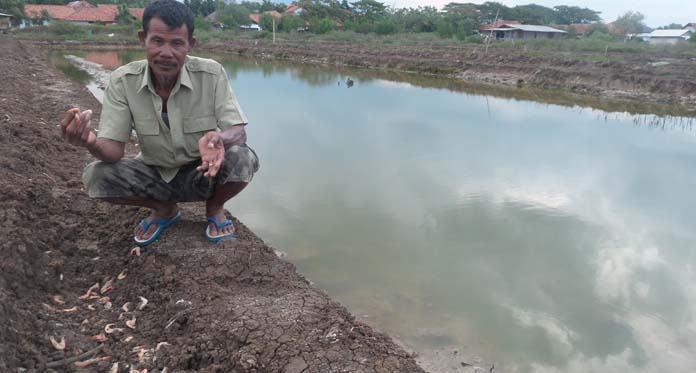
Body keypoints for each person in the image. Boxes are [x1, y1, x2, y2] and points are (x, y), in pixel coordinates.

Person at [59, 0, 259, 246]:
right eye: (157, 41)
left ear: (190, 44)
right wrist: (90, 142)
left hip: (201, 172)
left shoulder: (211, 73)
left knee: (243, 158)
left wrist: (220, 139)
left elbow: (238, 132)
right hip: (154, 174)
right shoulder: (123, 81)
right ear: (143, 39)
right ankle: (164, 209)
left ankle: (215, 207)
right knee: (96, 176)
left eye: (177, 43)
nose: (166, 52)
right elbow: (113, 152)